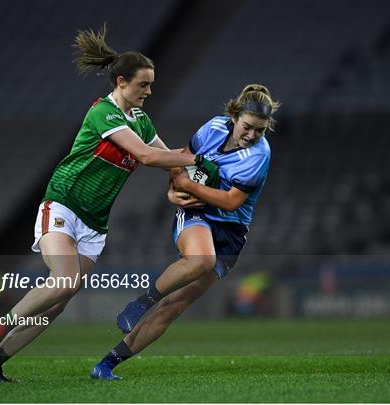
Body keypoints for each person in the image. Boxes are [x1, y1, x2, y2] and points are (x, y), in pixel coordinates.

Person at [0, 25, 217, 383]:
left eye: (150, 84)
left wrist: (185, 173)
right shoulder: (103, 112)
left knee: (57, 304)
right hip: (63, 205)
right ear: (120, 82)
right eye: (142, 84)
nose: (149, 91)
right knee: (65, 282)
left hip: (95, 223)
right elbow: (148, 157)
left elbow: (168, 158)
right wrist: (194, 163)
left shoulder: (141, 121)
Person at [91, 83, 280, 380]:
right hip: (197, 212)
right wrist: (173, 190)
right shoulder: (213, 127)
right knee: (201, 259)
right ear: (234, 117)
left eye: (260, 130)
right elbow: (180, 161)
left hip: (230, 233)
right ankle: (141, 303)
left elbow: (231, 202)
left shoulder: (258, 155)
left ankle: (106, 364)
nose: (252, 135)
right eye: (248, 127)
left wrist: (189, 186)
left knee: (175, 305)